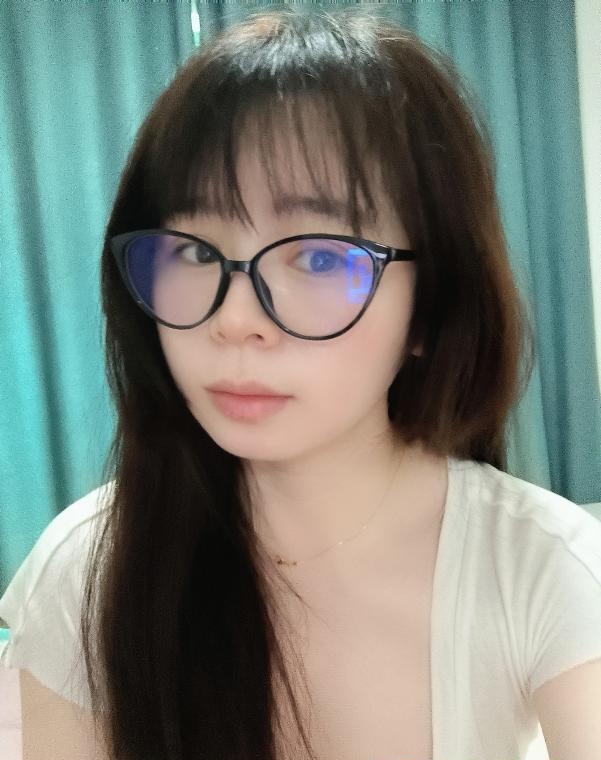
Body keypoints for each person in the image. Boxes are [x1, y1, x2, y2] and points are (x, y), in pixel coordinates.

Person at [1, 6, 600, 760]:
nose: (234, 321)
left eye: (319, 257)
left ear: (431, 306)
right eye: (194, 252)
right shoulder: (91, 566)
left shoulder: (544, 566)